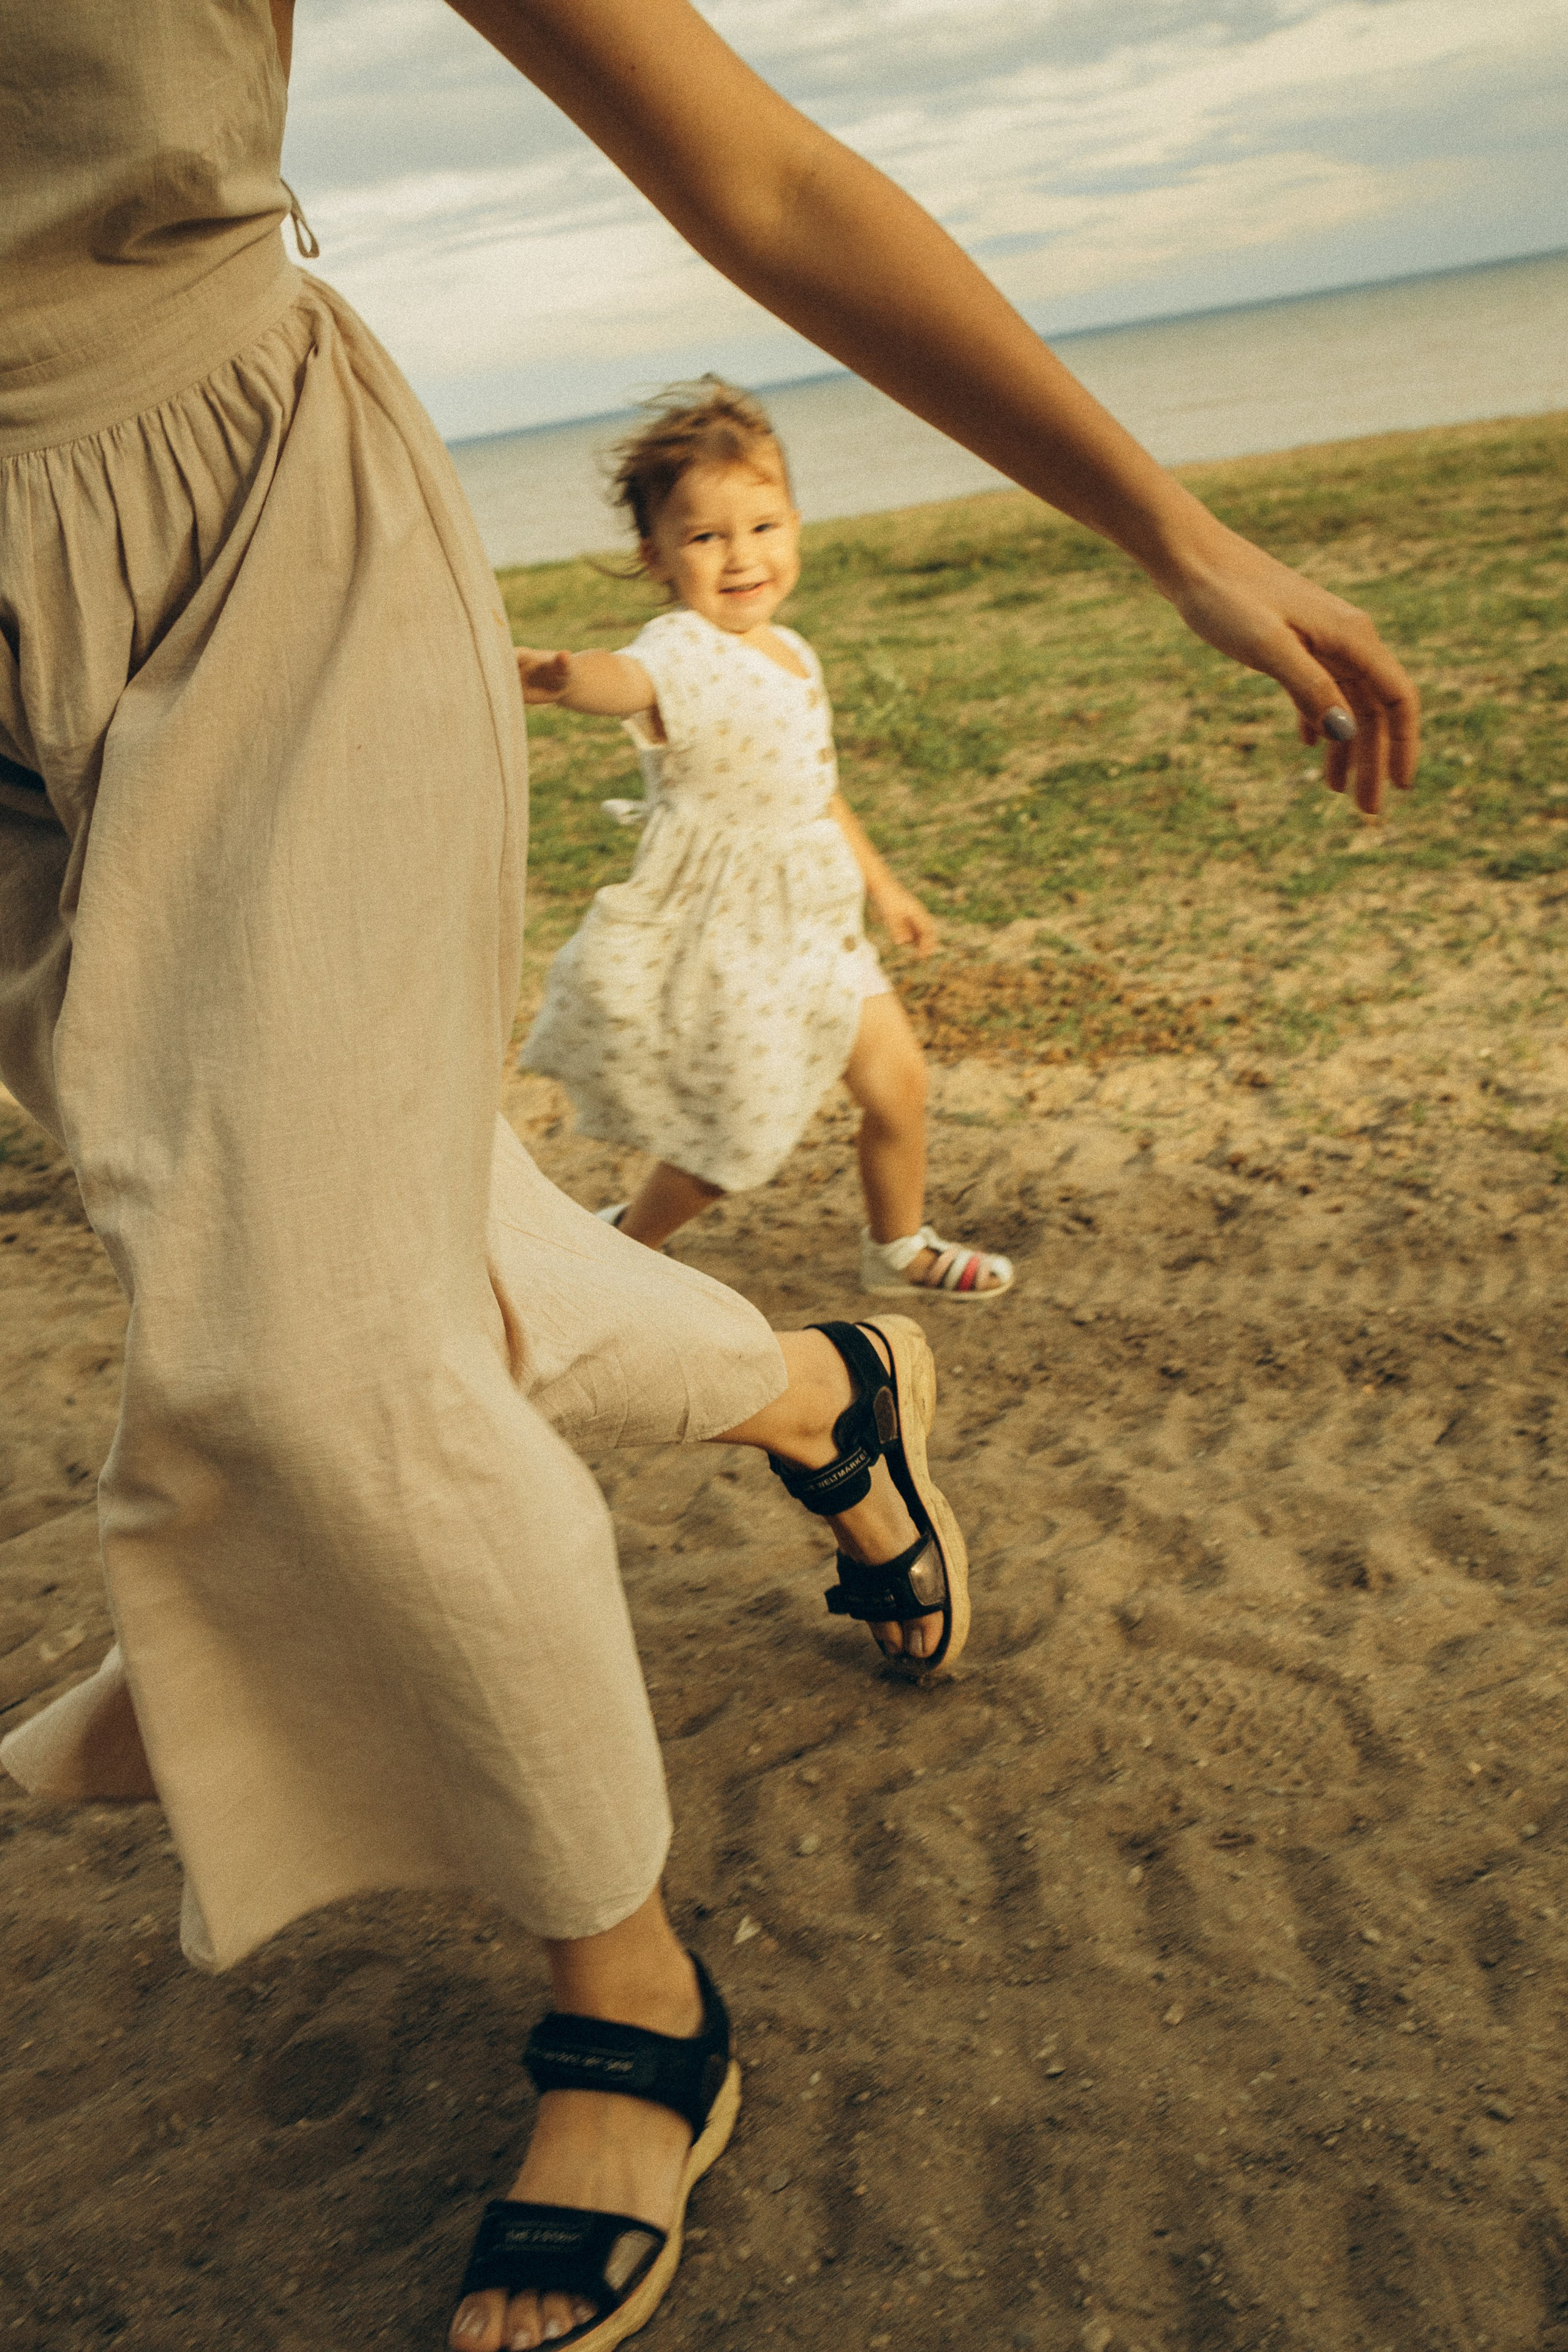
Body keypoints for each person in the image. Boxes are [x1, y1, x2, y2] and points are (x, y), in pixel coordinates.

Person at [0, 3, 1417, 2350]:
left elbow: (749, 172)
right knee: (407, 1256)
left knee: (304, 1346)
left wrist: (1170, 526)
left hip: (240, 542)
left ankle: (635, 1995)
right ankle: (820, 1397)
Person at [516, 380, 1015, 1300]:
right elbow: (623, 680)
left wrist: (886, 886)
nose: (741, 557)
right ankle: (629, 1242)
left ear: (795, 524)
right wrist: (560, 678)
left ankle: (897, 1248)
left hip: (824, 931)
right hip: (740, 945)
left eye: (763, 527)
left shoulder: (793, 651)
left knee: (900, 1089)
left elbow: (816, 792)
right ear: (657, 555)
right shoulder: (681, 649)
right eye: (706, 537)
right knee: (726, 1142)